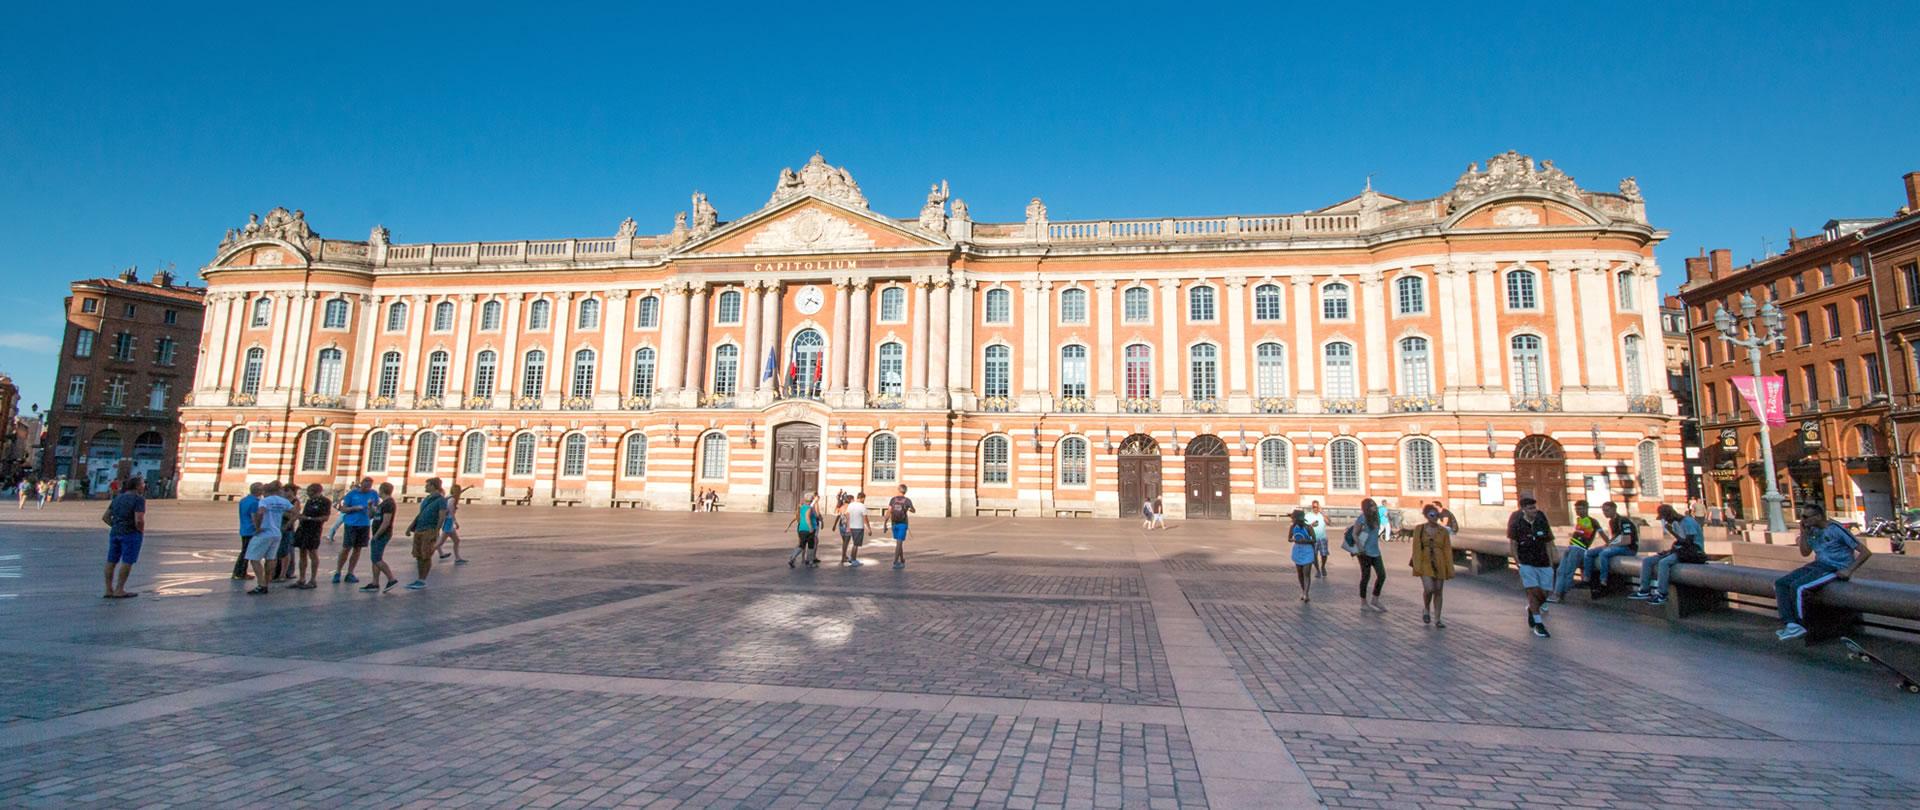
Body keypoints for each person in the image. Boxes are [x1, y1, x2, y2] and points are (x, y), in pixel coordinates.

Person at [1775, 503, 1873, 641]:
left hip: (1834, 567)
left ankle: (1799, 625)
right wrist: (1803, 533)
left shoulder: (1835, 529)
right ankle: (1790, 623)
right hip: (1817, 565)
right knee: (1781, 583)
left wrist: (1848, 570)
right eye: (1801, 517)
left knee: (1799, 587)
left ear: (1818, 516)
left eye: (1806, 517)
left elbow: (1865, 552)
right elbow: (1805, 552)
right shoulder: (1812, 531)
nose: (1803, 520)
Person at [1630, 504, 1705, 607]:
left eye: (1665, 518)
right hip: (1681, 550)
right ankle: (1644, 590)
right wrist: (1669, 550)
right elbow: (1679, 542)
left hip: (1693, 551)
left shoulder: (1688, 522)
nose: (1665, 521)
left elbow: (1688, 542)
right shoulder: (1675, 523)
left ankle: (1662, 594)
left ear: (1670, 515)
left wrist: (1672, 533)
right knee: (1647, 561)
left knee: (1664, 562)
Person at [1507, 497, 1556, 637]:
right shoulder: (1517, 524)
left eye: (1534, 507)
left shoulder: (1541, 521)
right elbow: (1513, 544)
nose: (1534, 510)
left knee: (1545, 593)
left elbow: (1548, 543)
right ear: (1523, 510)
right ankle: (1538, 623)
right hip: (1527, 563)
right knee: (1533, 591)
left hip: (1544, 562)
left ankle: (1531, 609)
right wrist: (1518, 562)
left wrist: (1551, 562)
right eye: (1530, 508)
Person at [1550, 500, 1607, 603]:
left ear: (1586, 509)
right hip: (1571, 547)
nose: (1577, 511)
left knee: (1568, 571)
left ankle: (1560, 595)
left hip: (1579, 549)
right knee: (1560, 571)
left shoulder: (1592, 521)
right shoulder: (1579, 520)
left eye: (1580, 509)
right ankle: (1556, 593)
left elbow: (1602, 534)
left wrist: (1608, 544)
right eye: (1576, 509)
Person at [244, 482, 295, 595]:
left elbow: (260, 512)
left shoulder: (265, 501)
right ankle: (267, 582)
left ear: (267, 492)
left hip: (265, 533)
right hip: (276, 532)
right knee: (271, 558)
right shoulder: (283, 501)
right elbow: (295, 511)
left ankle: (261, 584)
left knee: (254, 558)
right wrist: (288, 524)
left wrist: (258, 527)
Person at [1409, 504, 1454, 627]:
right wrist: (1417, 567)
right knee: (1429, 588)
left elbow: (1447, 550)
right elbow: (1416, 548)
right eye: (1431, 515)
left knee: (1438, 590)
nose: (1434, 517)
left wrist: (1449, 567)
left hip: (1440, 562)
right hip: (1425, 561)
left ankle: (1438, 619)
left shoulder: (1443, 531)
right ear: (1426, 516)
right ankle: (1426, 608)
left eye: (1436, 515)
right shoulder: (1420, 529)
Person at [102, 476, 147, 599]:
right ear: (137, 486)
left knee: (111, 561)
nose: (144, 486)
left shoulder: (118, 498)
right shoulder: (138, 499)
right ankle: (119, 589)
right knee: (127, 561)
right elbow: (139, 519)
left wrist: (116, 525)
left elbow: (105, 517)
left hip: (115, 532)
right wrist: (140, 530)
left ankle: (108, 589)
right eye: (142, 484)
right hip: (130, 533)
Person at [1587, 501, 1640, 596]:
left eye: (1607, 510)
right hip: (1618, 546)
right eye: (1603, 511)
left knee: (1604, 553)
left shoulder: (1624, 521)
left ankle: (1603, 580)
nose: (1605, 513)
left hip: (1629, 549)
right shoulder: (1611, 521)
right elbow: (1615, 537)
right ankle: (1588, 578)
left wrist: (1611, 546)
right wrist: (1608, 544)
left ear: (1614, 509)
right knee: (1589, 553)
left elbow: (1627, 540)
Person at [405, 478, 448, 590]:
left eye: (427, 485)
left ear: (433, 486)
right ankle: (419, 578)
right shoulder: (427, 499)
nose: (425, 487)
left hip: (429, 530)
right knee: (418, 555)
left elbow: (441, 517)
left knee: (426, 555)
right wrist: (410, 526)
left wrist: (436, 531)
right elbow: (421, 514)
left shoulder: (441, 500)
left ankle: (422, 580)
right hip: (419, 529)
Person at [1344, 497, 1387, 611]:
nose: (1374, 507)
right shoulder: (1362, 518)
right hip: (1364, 552)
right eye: (1372, 505)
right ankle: (1363, 602)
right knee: (1365, 576)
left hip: (1375, 551)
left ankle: (1375, 599)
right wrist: (1360, 546)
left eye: (1374, 505)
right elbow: (1354, 534)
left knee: (1382, 575)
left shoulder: (1376, 518)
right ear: (1367, 508)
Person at [332, 478, 377, 583]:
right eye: (365, 486)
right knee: (346, 548)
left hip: (364, 524)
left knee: (357, 549)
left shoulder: (373, 494)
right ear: (361, 484)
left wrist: (370, 507)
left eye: (369, 486)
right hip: (351, 524)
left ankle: (350, 572)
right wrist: (354, 508)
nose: (367, 488)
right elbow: (343, 509)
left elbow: (372, 513)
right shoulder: (352, 494)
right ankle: (338, 571)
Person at [360, 482, 402, 592]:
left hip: (382, 534)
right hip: (377, 534)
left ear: (382, 490)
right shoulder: (383, 503)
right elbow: (371, 516)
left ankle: (391, 579)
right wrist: (370, 506)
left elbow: (386, 522)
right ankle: (375, 583)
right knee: (374, 558)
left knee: (377, 559)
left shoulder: (389, 504)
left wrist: (377, 535)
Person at [232, 482, 261, 581]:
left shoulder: (244, 500)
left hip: (244, 528)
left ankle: (240, 572)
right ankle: (240, 572)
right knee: (246, 553)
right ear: (258, 491)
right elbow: (254, 517)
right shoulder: (255, 502)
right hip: (251, 530)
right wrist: (258, 528)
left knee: (244, 551)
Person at [1288, 509, 1317, 602]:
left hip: (1307, 550)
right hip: (1298, 550)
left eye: (1293, 518)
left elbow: (1314, 539)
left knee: (1306, 574)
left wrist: (1305, 541)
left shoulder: (1308, 527)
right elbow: (1289, 539)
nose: (1292, 520)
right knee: (1300, 573)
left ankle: (1306, 594)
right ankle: (1303, 590)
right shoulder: (1292, 527)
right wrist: (1294, 540)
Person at [786, 492, 820, 568]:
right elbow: (808, 518)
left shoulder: (802, 507)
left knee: (801, 545)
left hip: (801, 528)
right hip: (808, 529)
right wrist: (811, 527)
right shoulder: (809, 508)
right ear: (811, 500)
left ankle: (792, 558)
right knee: (811, 545)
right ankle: (810, 562)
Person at [886, 484, 916, 569]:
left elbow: (889, 511)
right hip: (903, 523)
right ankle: (895, 561)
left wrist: (885, 523)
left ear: (898, 490)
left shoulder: (893, 499)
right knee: (899, 542)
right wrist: (910, 509)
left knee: (899, 542)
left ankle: (902, 559)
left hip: (894, 523)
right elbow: (914, 510)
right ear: (905, 491)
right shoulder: (907, 501)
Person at [436, 484, 466, 564]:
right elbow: (451, 512)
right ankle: (425, 555)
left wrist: (468, 487)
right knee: (440, 543)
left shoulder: (450, 497)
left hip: (448, 522)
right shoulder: (452, 500)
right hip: (449, 522)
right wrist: (455, 522)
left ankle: (457, 558)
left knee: (456, 541)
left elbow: (461, 492)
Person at [844, 491, 869, 566]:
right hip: (858, 527)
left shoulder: (851, 504)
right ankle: (853, 560)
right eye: (864, 499)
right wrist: (869, 528)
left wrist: (848, 525)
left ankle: (852, 558)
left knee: (854, 543)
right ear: (861, 498)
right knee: (856, 544)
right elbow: (865, 518)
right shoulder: (862, 506)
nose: (864, 500)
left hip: (851, 526)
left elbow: (847, 514)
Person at [1305, 501, 1329, 578]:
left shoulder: (1322, 515)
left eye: (1317, 507)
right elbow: (1305, 526)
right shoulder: (1308, 515)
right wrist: (1311, 525)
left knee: (1324, 554)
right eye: (1314, 507)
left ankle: (1323, 567)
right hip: (1313, 538)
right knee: (1314, 555)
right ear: (1312, 507)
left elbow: (1328, 523)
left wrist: (1323, 513)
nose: (1315, 508)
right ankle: (1318, 570)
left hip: (1322, 538)